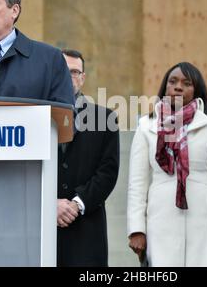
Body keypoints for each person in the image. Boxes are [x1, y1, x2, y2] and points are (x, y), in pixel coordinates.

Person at [127, 62, 207, 266]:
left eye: (187, 83)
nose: (178, 87)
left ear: (197, 90)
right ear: (165, 88)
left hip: (203, 221)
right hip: (160, 221)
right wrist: (136, 229)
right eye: (173, 81)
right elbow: (137, 183)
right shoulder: (146, 125)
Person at [56, 49, 119, 266]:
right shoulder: (34, 116)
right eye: (63, 71)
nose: (68, 76)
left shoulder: (106, 119)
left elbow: (108, 172)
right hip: (43, 230)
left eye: (74, 72)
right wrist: (50, 205)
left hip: (86, 230)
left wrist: (76, 204)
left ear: (82, 78)